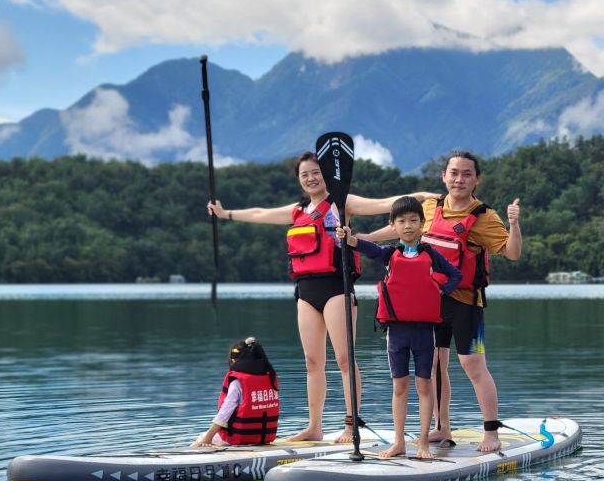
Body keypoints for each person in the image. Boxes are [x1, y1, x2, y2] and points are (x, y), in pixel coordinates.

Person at [206, 151, 436, 443]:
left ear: (326, 175)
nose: (311, 178)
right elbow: (261, 214)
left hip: (336, 288)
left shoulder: (343, 203)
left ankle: (351, 425)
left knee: (344, 360)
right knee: (312, 362)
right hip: (306, 292)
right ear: (299, 181)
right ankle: (314, 426)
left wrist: (421, 195)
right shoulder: (297, 210)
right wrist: (226, 214)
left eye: (316, 172)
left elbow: (385, 204)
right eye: (305, 175)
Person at [363, 151, 521, 452]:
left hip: (466, 303)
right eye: (454, 173)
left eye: (466, 174)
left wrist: (515, 225)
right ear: (444, 176)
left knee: (473, 365)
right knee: (435, 365)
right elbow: (400, 229)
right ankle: (441, 428)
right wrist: (362, 237)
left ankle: (491, 432)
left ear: (476, 179)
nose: (459, 179)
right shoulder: (429, 207)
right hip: (430, 304)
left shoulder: (484, 217)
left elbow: (511, 252)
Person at [337, 196, 462, 459]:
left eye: (413, 220)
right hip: (396, 333)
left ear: (422, 224)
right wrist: (347, 237)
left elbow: (455, 275)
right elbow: (364, 247)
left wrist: (439, 291)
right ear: (393, 225)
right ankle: (399, 443)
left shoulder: (430, 254)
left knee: (424, 386)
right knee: (399, 387)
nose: (408, 225)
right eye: (402, 221)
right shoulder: (389, 254)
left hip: (424, 332)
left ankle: (423, 443)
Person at [191, 337, 279, 447]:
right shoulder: (269, 378)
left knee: (200, 438)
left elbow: (225, 412)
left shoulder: (237, 383)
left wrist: (207, 438)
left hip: (239, 438)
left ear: (234, 360)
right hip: (264, 438)